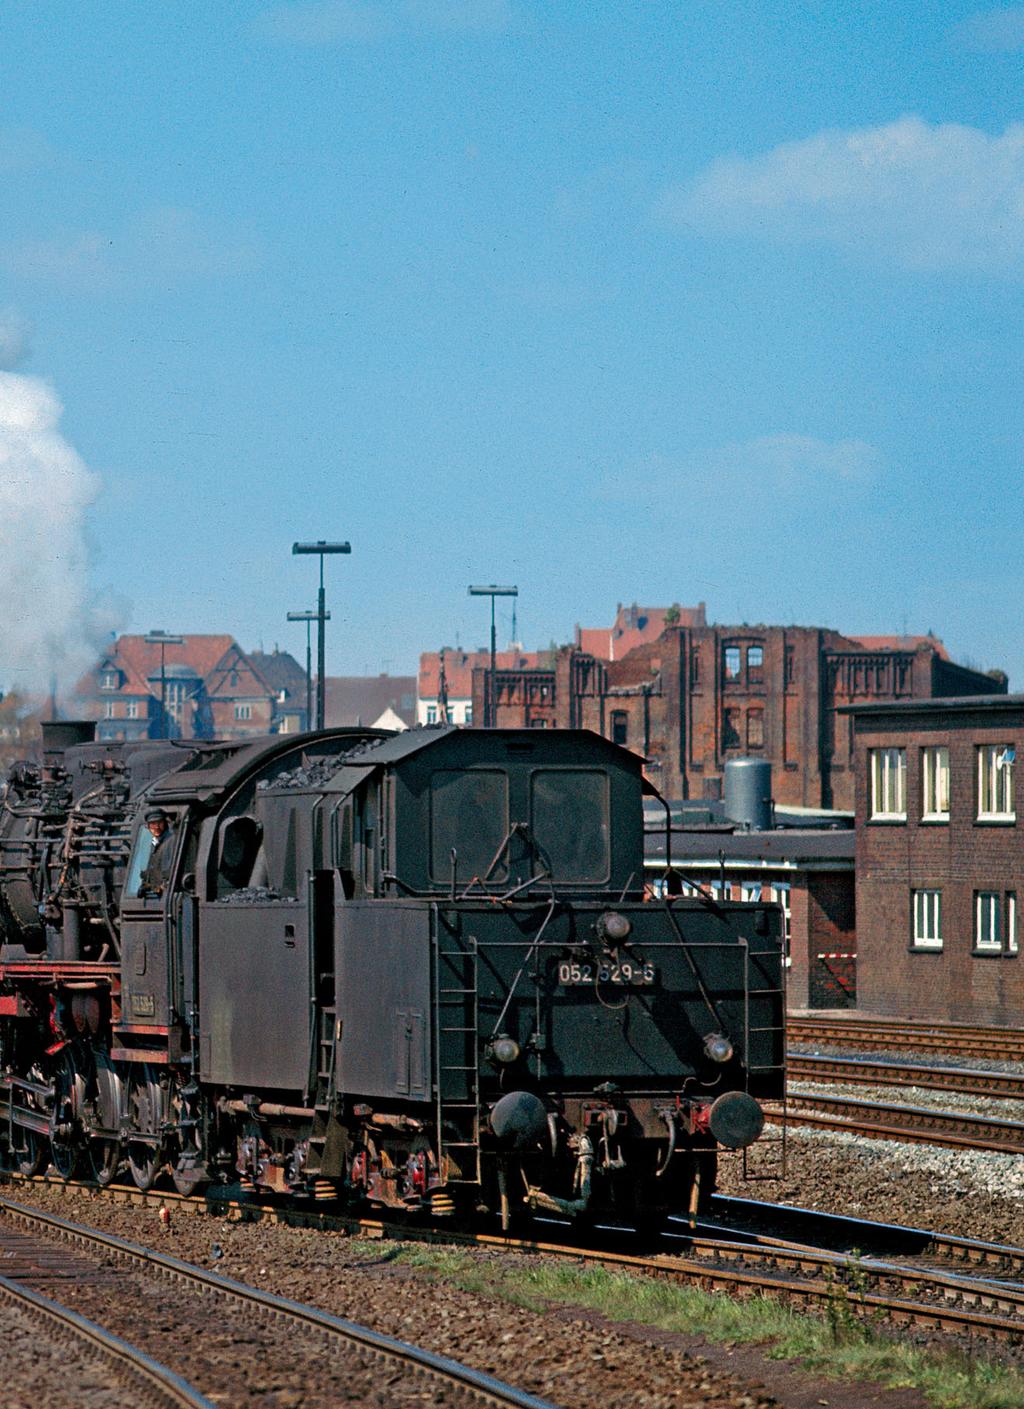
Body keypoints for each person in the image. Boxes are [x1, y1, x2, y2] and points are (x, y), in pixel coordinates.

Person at [139, 808, 175, 897]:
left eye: (159, 823)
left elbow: (167, 872)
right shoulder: (152, 843)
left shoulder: (171, 841)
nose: (156, 827)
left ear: (165, 823)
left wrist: (161, 887)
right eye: (153, 824)